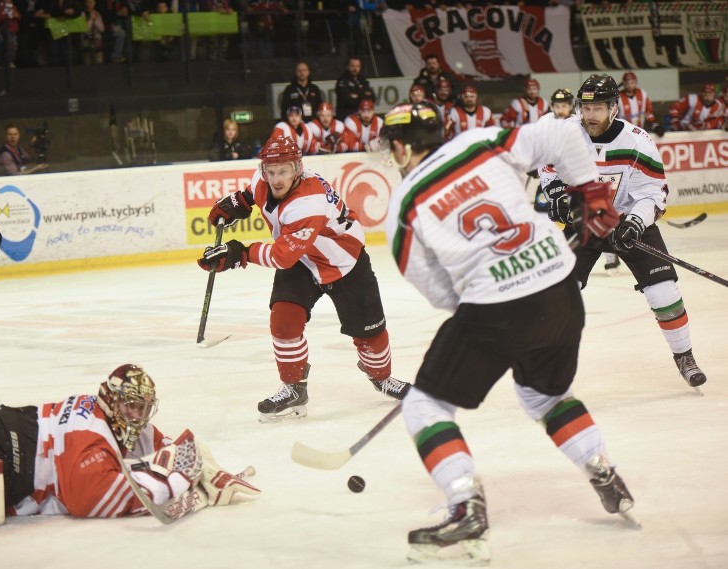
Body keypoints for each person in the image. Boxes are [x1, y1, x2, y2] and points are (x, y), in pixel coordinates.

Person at [377, 101, 633, 562]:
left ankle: (464, 508)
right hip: (560, 286)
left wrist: (487, 306)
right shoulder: (481, 142)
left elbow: (436, 289)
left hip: (496, 308)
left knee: (424, 404)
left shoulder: (403, 203)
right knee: (544, 395)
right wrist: (592, 190)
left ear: (399, 147)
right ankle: (603, 470)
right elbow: (562, 133)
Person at [197, 136, 410, 423]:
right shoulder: (263, 181)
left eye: (283, 171)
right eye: (270, 171)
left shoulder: (308, 202)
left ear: (298, 168)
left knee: (370, 335)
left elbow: (282, 257)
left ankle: (382, 378)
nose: (276, 179)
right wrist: (239, 201)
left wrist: (239, 253)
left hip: (344, 263)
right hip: (303, 261)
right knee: (284, 320)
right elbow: (254, 193)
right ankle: (294, 388)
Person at [0, 364, 260, 519]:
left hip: (1, 426)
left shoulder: (106, 414)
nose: (138, 417)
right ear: (112, 403)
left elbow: (167, 442)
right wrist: (181, 475)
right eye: (131, 407)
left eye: (143, 408)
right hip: (8, 457)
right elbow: (91, 500)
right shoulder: (90, 434)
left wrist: (207, 465)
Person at [541, 74, 708, 392]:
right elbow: (548, 171)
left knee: (663, 291)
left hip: (629, 221)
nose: (590, 115)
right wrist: (559, 196)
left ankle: (685, 357)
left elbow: (654, 193)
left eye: (598, 108)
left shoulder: (637, 141)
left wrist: (634, 222)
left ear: (614, 108)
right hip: (584, 223)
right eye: (585, 108)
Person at [617, 71, 663, 137]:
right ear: (623, 83)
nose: (630, 85)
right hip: (622, 134)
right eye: (627, 83)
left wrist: (655, 126)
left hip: (639, 134)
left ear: (636, 82)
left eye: (632, 82)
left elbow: (648, 113)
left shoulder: (642, 94)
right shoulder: (618, 97)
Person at [334, 56, 375, 121]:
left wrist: (356, 97)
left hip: (362, 118)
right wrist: (363, 97)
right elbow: (346, 101)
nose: (355, 69)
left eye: (357, 66)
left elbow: (372, 98)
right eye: (352, 66)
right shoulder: (342, 81)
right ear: (347, 67)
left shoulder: (363, 81)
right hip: (347, 117)